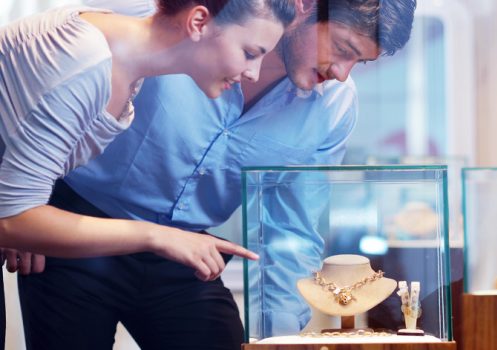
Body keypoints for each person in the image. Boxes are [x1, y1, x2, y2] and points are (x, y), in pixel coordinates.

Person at [16, 0, 417, 347]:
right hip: (78, 232)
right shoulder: (173, 21)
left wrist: (277, 340)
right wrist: (26, 212)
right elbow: (43, 79)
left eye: (359, 63)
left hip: (188, 253)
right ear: (305, 6)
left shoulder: (334, 109)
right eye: (343, 49)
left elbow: (290, 233)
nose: (343, 74)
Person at [0, 0, 294, 348]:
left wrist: (29, 213)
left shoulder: (127, 65)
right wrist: (159, 235)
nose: (254, 73)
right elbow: (11, 218)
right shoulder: (88, 60)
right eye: (249, 52)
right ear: (198, 21)